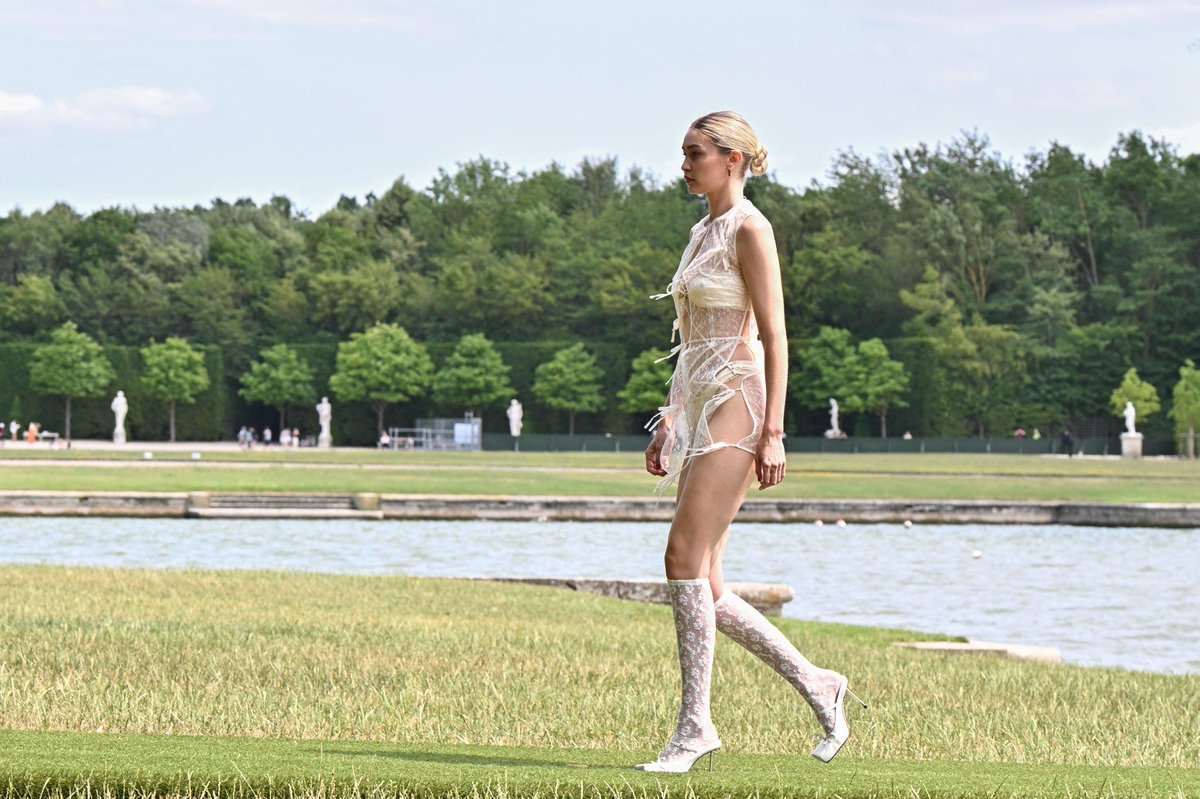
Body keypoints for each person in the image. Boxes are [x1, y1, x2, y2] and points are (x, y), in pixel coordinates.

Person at [640, 112, 864, 774]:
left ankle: (695, 725)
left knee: (681, 552)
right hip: (703, 402)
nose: (684, 165)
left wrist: (774, 430)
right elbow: (692, 334)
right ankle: (820, 684)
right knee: (706, 578)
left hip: (742, 400)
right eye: (684, 154)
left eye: (695, 154)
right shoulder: (700, 230)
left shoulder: (750, 229)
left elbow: (775, 334)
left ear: (733, 159)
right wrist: (673, 414)